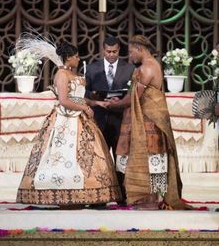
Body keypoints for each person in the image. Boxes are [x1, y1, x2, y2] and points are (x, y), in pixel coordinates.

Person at [16, 39, 121, 207]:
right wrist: (85, 109)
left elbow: (77, 96)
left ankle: (87, 193)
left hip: (81, 118)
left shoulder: (73, 74)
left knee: (88, 155)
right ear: (68, 57)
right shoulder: (62, 74)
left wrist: (94, 103)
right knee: (65, 154)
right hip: (66, 120)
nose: (79, 59)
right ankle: (63, 193)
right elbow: (64, 100)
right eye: (76, 56)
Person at [107, 35, 192, 210]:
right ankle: (148, 199)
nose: (130, 56)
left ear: (139, 48)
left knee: (147, 158)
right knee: (151, 158)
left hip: (148, 122)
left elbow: (134, 97)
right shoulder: (154, 64)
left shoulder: (146, 68)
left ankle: (149, 201)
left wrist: (114, 104)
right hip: (152, 120)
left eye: (131, 52)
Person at [85, 36, 135, 202]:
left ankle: (122, 196)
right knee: (99, 159)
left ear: (119, 50)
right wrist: (95, 99)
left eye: (114, 51)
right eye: (108, 51)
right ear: (103, 50)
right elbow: (84, 95)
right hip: (99, 119)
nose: (111, 54)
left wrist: (119, 101)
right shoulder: (92, 69)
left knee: (121, 158)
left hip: (121, 119)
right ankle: (99, 197)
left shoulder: (129, 68)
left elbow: (132, 94)